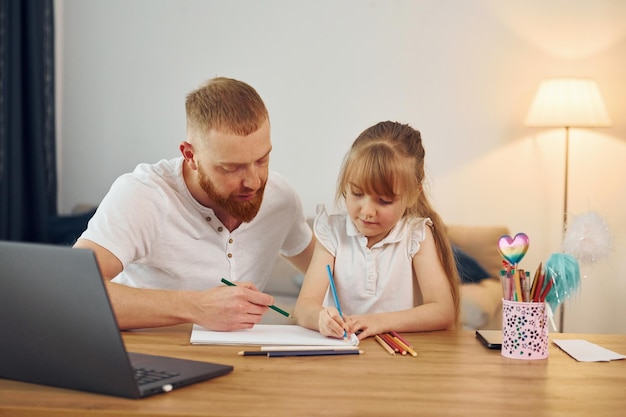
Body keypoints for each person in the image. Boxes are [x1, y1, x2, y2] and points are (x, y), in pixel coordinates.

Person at [74, 77, 315, 331]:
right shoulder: (144, 195)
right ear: (190, 156)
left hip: (242, 360)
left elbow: (332, 271)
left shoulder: (280, 199)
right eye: (232, 168)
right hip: (146, 359)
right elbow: (73, 289)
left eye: (262, 160)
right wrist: (195, 306)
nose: (254, 182)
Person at [293, 121, 460, 341]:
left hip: (399, 358)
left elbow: (443, 310)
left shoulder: (416, 235)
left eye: (384, 200)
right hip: (342, 356)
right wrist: (320, 318)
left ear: (412, 195)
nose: (368, 211)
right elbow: (304, 307)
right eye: (357, 193)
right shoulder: (332, 232)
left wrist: (378, 322)